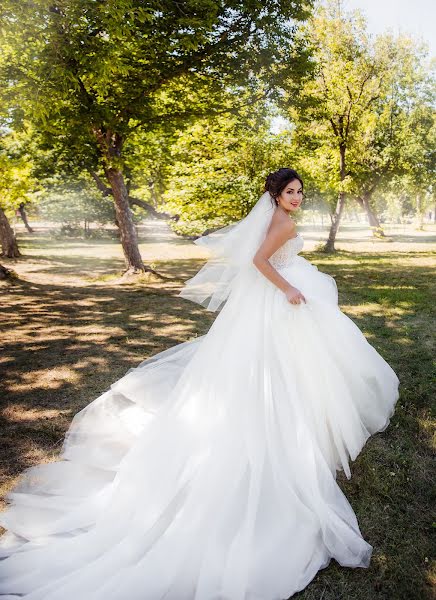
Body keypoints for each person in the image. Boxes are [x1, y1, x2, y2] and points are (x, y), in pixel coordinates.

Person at [0, 168, 399, 600]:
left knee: (284, 367)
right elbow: (259, 261)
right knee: (282, 369)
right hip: (279, 300)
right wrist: (288, 289)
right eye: (290, 191)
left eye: (301, 191)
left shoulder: (273, 219)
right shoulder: (280, 222)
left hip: (269, 304)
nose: (297, 197)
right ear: (275, 195)